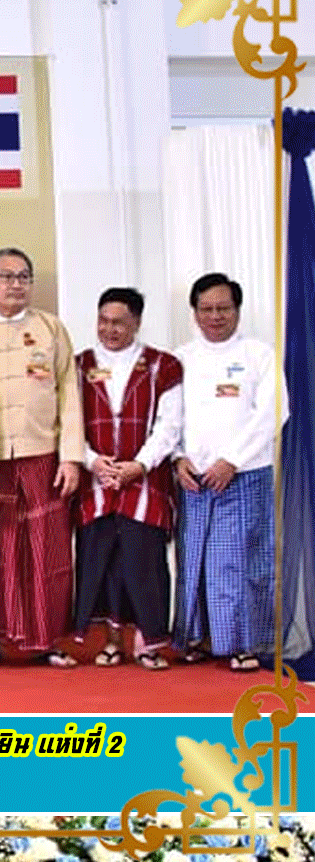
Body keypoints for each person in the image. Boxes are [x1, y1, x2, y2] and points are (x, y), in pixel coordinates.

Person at [0, 248, 85, 668]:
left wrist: (71, 458)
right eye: (6, 277)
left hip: (42, 455)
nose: (15, 284)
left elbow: (70, 393)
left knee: (47, 551)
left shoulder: (50, 328)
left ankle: (49, 639)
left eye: (23, 276)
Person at [173, 272, 285, 672]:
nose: (215, 317)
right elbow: (169, 417)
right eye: (206, 309)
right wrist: (178, 458)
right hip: (193, 477)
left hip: (244, 474)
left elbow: (274, 413)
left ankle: (243, 644)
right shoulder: (180, 358)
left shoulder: (259, 355)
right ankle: (196, 637)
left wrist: (232, 460)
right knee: (194, 561)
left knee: (241, 562)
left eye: (223, 308)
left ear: (237, 310)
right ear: (194, 313)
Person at [74, 287, 183, 671]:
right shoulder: (79, 365)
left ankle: (150, 643)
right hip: (97, 481)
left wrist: (140, 464)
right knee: (102, 563)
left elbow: (169, 426)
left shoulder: (163, 365)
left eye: (119, 322)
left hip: (145, 481)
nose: (110, 329)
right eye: (103, 321)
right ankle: (112, 642)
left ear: (137, 322)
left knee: (144, 561)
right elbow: (68, 423)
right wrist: (91, 461)